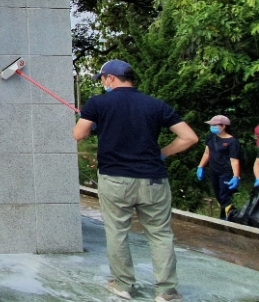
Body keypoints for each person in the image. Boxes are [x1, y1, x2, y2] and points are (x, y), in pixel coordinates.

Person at [73, 60, 198, 302]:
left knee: (117, 232)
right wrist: (162, 152)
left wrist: (95, 122)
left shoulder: (98, 103)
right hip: (153, 180)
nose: (102, 83)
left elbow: (78, 134)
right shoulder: (154, 105)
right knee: (161, 235)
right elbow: (189, 137)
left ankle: (122, 285)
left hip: (115, 179)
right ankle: (166, 291)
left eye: (102, 79)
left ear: (110, 78)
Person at [195, 115, 241, 220]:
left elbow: (234, 160)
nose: (212, 127)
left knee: (225, 197)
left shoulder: (232, 142)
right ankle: (225, 217)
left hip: (226, 173)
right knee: (219, 196)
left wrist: (236, 176)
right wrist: (200, 167)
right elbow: (207, 153)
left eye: (214, 125)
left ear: (224, 126)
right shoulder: (211, 137)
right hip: (213, 171)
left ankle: (228, 220)